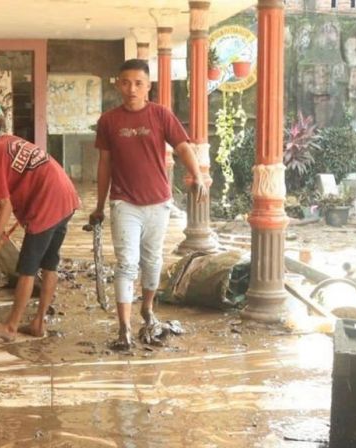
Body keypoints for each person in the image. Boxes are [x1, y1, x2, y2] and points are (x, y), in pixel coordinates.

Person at [90, 58, 207, 349]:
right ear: (118, 85)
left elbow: (182, 147)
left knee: (152, 260)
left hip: (158, 203)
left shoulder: (161, 115)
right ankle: (124, 328)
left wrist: (198, 176)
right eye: (126, 82)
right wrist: (99, 205)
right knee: (127, 264)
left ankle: (148, 309)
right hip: (124, 202)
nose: (132, 88)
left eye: (138, 83)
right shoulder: (109, 120)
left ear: (148, 86)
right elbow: (104, 164)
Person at [0, 120, 79, 342]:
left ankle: (11, 327)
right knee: (49, 263)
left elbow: (5, 206)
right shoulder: (5, 141)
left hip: (47, 203)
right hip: (65, 195)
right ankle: (38, 323)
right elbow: (25, 177)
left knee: (27, 268)